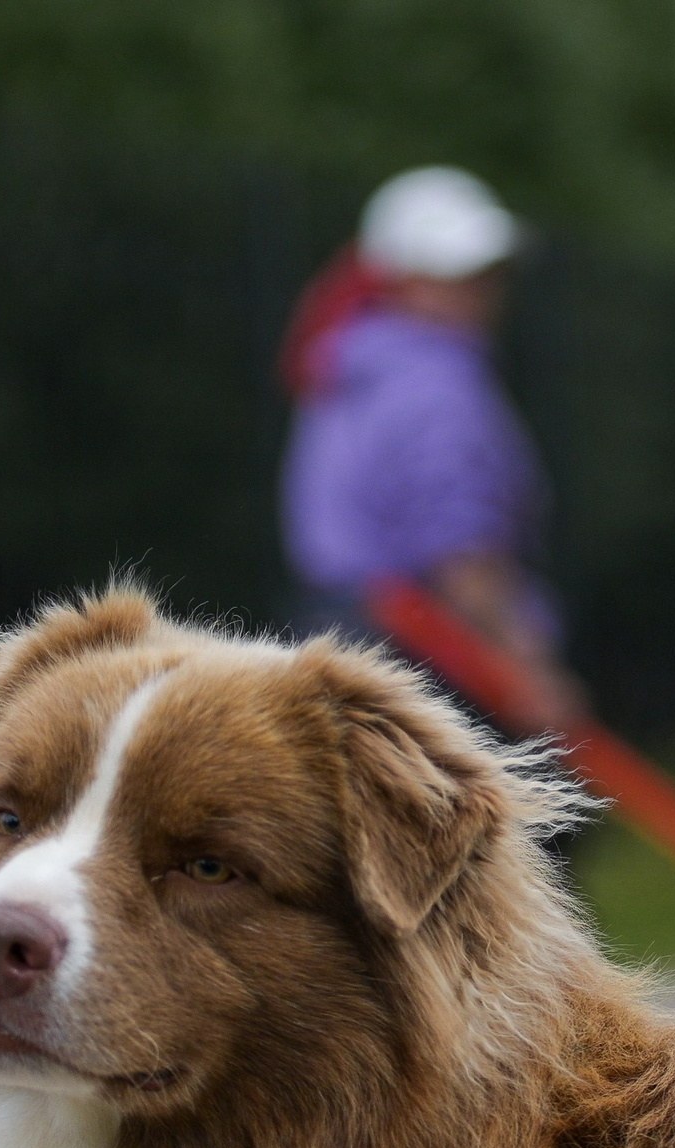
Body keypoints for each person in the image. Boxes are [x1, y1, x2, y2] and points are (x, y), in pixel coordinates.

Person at [278, 166, 586, 735]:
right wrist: (528, 664)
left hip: (330, 647)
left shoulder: (346, 366)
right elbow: (463, 551)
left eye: (488, 271)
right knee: (532, 817)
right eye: (457, 272)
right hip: (423, 657)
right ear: (398, 278)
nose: (483, 290)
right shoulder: (440, 383)